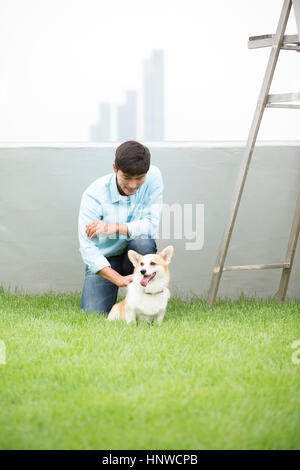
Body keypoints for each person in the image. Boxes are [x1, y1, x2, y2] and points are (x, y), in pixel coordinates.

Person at [78, 140, 163, 314]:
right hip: (105, 259)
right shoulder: (93, 195)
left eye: (139, 179)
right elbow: (88, 249)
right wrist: (118, 279)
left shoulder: (154, 176)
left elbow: (151, 226)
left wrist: (114, 227)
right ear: (115, 169)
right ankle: (120, 291)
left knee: (143, 243)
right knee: (93, 312)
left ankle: (146, 301)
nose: (132, 185)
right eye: (126, 178)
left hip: (134, 256)